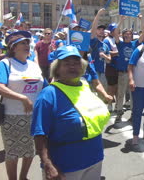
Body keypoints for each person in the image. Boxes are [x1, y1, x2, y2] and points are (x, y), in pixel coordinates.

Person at [32, 45, 110, 179]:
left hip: (94, 160)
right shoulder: (48, 95)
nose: (72, 67)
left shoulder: (85, 86)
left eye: (76, 63)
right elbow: (39, 134)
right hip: (65, 166)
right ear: (57, 69)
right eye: (66, 64)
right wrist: (47, 164)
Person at [0, 31, 46, 180]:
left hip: (34, 115)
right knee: (13, 152)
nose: (27, 45)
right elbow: (0, 87)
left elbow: (45, 86)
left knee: (30, 151)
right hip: (12, 116)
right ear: (13, 47)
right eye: (22, 43)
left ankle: (23, 177)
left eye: (27, 43)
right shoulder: (6, 63)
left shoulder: (33, 65)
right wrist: (23, 98)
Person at [114, 15, 144, 122]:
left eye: (130, 34)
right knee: (120, 95)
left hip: (133, 73)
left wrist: (141, 20)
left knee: (133, 95)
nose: (128, 35)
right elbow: (115, 33)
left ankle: (133, 114)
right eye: (126, 34)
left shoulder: (135, 44)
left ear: (132, 36)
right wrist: (121, 21)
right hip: (122, 73)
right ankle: (119, 114)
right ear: (123, 36)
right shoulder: (120, 44)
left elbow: (143, 34)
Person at [90, 9, 112, 107]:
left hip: (102, 72)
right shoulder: (94, 41)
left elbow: (109, 59)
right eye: (99, 29)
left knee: (102, 93)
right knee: (92, 94)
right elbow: (93, 29)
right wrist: (98, 15)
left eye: (103, 29)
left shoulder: (105, 45)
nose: (102, 31)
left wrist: (105, 56)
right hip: (93, 72)